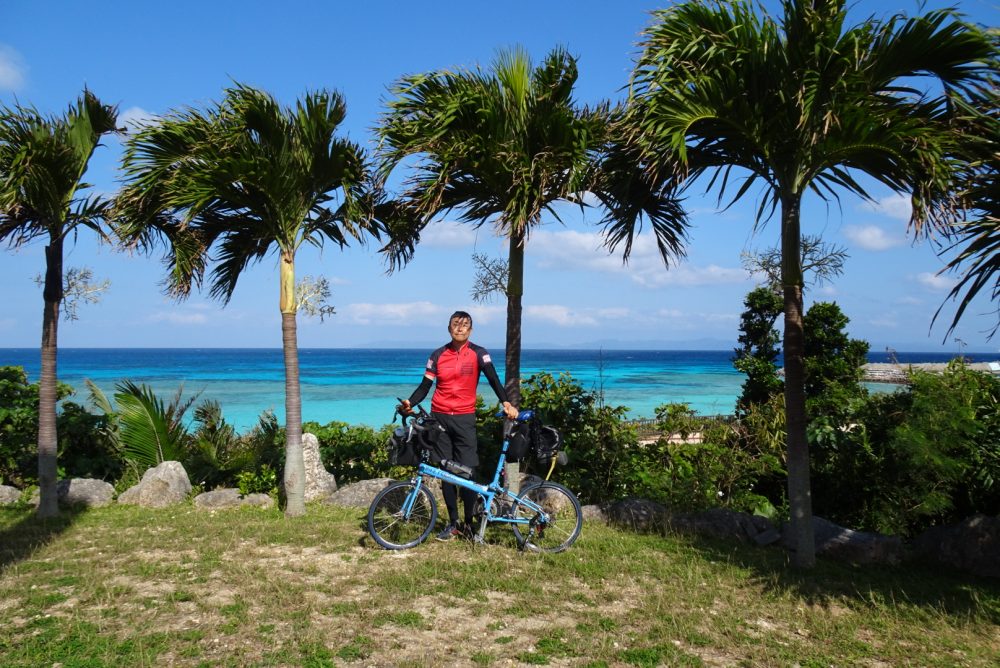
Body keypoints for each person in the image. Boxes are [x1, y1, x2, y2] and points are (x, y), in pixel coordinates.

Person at [399, 310, 518, 541]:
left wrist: (506, 402)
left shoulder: (478, 354)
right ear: (449, 328)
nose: (460, 328)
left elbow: (493, 379)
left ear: (470, 330)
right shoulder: (437, 355)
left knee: (468, 472)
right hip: (439, 419)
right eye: (456, 324)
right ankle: (453, 524)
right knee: (446, 473)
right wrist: (409, 402)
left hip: (465, 419)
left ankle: (469, 524)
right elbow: (425, 387)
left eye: (465, 325)